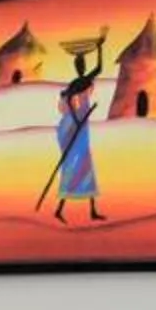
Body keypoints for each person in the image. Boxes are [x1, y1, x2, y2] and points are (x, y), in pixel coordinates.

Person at [49, 41, 105, 224]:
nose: (81, 67)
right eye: (78, 65)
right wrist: (76, 120)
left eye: (81, 64)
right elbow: (70, 106)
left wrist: (100, 48)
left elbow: (99, 68)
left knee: (85, 166)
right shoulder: (75, 85)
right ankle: (61, 209)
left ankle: (92, 210)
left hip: (82, 128)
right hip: (74, 128)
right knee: (74, 166)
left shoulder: (84, 81)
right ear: (76, 67)